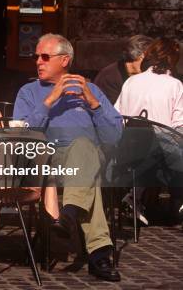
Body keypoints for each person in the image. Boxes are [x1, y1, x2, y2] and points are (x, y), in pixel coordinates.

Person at [13, 33, 122, 282]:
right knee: (88, 178)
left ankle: (69, 213)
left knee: (84, 148)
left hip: (85, 157)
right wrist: (50, 100)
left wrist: (93, 103)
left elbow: (114, 136)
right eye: (36, 57)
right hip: (46, 160)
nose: (38, 62)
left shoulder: (90, 89)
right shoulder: (29, 92)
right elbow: (21, 132)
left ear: (64, 60)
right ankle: (99, 255)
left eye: (44, 56)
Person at [114, 37, 183, 224]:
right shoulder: (174, 85)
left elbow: (116, 116)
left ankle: (135, 195)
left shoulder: (131, 82)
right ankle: (178, 201)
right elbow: (178, 126)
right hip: (158, 156)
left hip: (128, 151)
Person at [94, 35, 153, 104]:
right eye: (149, 59)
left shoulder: (143, 76)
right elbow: (110, 110)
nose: (152, 63)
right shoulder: (108, 77)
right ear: (140, 56)